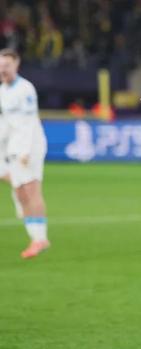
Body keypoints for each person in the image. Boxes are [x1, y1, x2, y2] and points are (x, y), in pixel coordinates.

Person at [0, 49, 49, 258]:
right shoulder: (3, 90)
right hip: (13, 146)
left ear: (16, 65)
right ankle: (34, 237)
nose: (3, 70)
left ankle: (40, 239)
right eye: (0, 66)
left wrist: (26, 150)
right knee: (20, 192)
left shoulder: (25, 88)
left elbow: (29, 123)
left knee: (31, 190)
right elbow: (8, 122)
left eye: (7, 65)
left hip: (30, 146)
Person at [0, 107, 24, 219]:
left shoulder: (6, 122)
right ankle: (22, 211)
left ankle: (22, 211)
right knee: (17, 182)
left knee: (17, 182)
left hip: (4, 161)